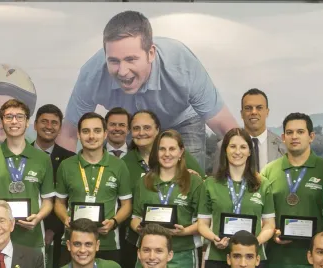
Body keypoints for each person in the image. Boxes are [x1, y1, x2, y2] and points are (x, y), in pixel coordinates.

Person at [61, 10, 238, 168]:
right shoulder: (91, 75)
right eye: (114, 61)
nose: (122, 71)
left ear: (151, 53)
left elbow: (226, 129)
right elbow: (69, 135)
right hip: (134, 126)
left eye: (131, 59)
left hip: (183, 121)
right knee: (132, 181)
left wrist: (248, 178)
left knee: (188, 182)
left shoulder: (182, 64)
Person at [120, 111, 202, 268]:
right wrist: (141, 229)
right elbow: (135, 218)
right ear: (156, 153)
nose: (167, 154)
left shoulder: (194, 181)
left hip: (182, 252)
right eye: (162, 149)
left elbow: (204, 221)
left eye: (172, 149)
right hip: (148, 252)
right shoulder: (144, 182)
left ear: (181, 152)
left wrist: (184, 231)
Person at [0, 99, 55, 253]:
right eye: (8, 117)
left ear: (27, 122)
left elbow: (48, 200)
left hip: (32, 238)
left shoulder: (42, 158)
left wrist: (38, 217)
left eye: (19, 117)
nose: (14, 121)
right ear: (2, 121)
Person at [53, 112, 132, 266]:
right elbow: (59, 203)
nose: (91, 136)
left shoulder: (119, 165)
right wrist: (65, 219)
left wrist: (113, 222)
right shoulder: (66, 165)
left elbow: (127, 205)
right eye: (85, 131)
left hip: (108, 243)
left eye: (97, 131)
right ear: (78, 134)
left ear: (105, 134)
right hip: (73, 242)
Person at [198, 128, 275, 268]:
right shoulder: (210, 184)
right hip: (218, 258)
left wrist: (256, 243)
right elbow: (202, 224)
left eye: (243, 147)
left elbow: (269, 225)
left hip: (253, 260)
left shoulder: (263, 184)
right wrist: (214, 239)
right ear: (225, 150)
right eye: (232, 146)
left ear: (249, 152)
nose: (237, 151)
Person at [263, 113, 323, 268]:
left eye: (300, 132)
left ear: (311, 136)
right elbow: (259, 212)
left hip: (316, 260)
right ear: (283, 138)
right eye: (289, 132)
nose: (294, 137)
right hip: (277, 260)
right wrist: (273, 232)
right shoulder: (269, 171)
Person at [32, 104, 75, 268]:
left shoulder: (69, 159)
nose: (49, 126)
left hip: (59, 235)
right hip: (25, 229)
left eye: (54, 123)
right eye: (44, 121)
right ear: (35, 125)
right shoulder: (22, 154)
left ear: (60, 127)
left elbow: (67, 199)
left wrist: (52, 230)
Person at [214, 89, 285, 174]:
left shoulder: (283, 146)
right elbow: (216, 182)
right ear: (241, 113)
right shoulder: (223, 146)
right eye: (248, 108)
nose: (254, 112)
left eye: (259, 108)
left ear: (267, 112)